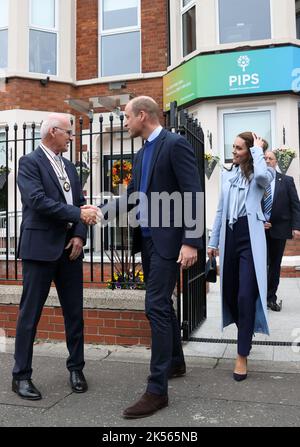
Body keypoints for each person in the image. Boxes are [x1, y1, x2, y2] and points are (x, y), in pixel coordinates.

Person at [83, 96, 203, 418]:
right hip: (148, 242)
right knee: (161, 305)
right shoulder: (140, 154)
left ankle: (157, 390)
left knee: (155, 305)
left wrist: (191, 241)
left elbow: (194, 192)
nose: (125, 123)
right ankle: (175, 363)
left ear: (142, 115)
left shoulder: (174, 144)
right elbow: (133, 197)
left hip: (169, 243)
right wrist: (100, 211)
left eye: (126, 117)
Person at [12, 113, 98, 400]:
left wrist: (79, 234)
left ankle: (76, 368)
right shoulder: (29, 163)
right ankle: (21, 376)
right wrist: (78, 214)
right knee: (29, 315)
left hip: (69, 251)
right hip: (39, 249)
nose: (72, 137)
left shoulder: (70, 167)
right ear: (52, 132)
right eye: (68, 133)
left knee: (74, 313)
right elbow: (36, 201)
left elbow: (80, 203)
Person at [208, 132, 275, 381]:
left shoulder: (263, 172)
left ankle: (241, 354)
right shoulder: (227, 176)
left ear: (249, 151)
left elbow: (259, 177)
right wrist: (213, 242)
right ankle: (244, 330)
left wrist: (258, 150)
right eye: (233, 147)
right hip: (229, 236)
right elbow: (220, 210)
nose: (233, 151)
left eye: (238, 148)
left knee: (246, 295)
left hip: (250, 237)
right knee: (232, 294)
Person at [263, 150, 300, 311]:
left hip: (279, 229)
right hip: (259, 230)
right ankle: (257, 297)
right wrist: (260, 221)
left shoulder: (286, 181)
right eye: (264, 158)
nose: (267, 161)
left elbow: (295, 206)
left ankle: (271, 297)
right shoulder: (256, 181)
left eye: (270, 159)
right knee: (259, 264)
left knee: (274, 265)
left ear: (276, 162)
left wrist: (296, 227)